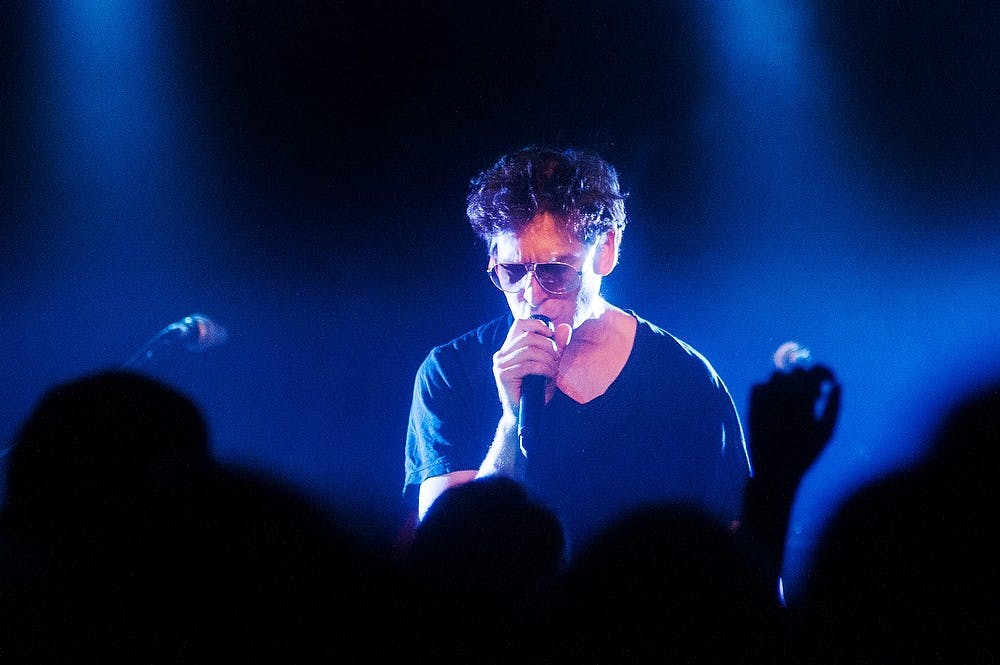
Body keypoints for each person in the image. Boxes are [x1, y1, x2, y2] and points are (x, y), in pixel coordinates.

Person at [403, 145, 751, 555]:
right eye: (512, 272)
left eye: (555, 271)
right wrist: (511, 423)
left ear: (606, 249)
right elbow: (445, 561)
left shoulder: (683, 377)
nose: (531, 295)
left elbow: (741, 559)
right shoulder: (449, 373)